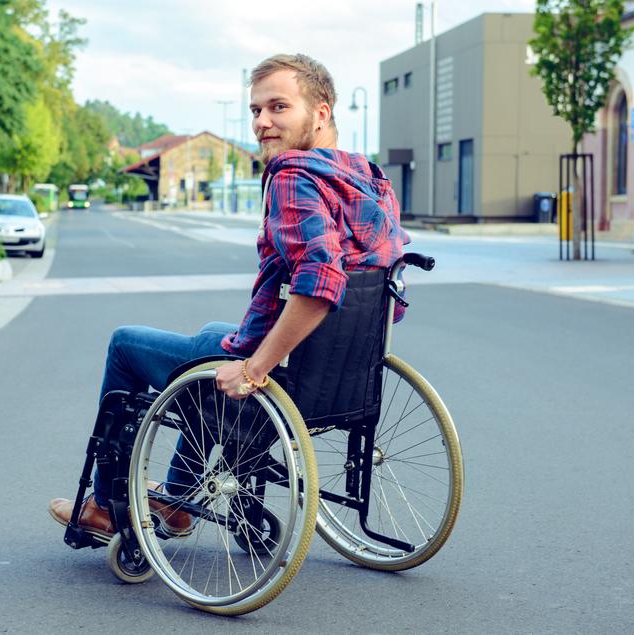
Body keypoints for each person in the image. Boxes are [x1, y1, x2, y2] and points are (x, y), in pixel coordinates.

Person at [48, 53, 409, 538]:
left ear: (321, 113)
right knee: (215, 337)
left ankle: (107, 505)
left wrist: (255, 368)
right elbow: (386, 296)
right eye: (256, 111)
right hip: (341, 376)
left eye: (278, 107)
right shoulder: (368, 177)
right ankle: (176, 499)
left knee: (125, 343)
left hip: (284, 372)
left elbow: (321, 283)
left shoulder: (293, 175)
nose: (262, 122)